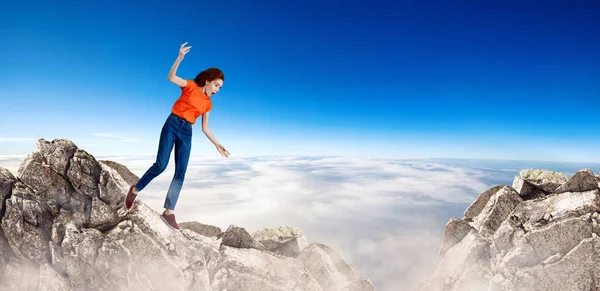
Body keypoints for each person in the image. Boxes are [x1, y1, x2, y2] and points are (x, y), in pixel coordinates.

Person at [124, 42, 230, 230]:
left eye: (220, 88)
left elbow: (205, 128)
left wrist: (217, 144)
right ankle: (135, 189)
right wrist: (179, 58)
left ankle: (168, 211)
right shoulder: (190, 86)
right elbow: (171, 77)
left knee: (181, 172)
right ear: (207, 80)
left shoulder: (208, 104)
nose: (217, 90)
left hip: (187, 131)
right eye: (216, 85)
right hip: (173, 124)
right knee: (161, 165)